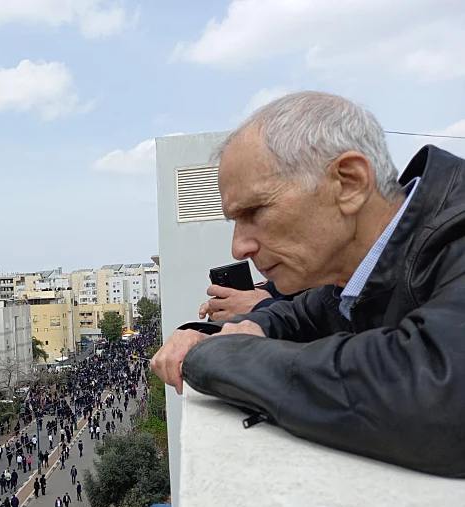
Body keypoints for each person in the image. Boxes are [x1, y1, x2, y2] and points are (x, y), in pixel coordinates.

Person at [151, 91, 465, 478]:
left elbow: (438, 400)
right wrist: (210, 333)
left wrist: (211, 357)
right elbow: (298, 315)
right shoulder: (356, 275)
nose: (240, 246)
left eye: (255, 211)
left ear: (348, 183)